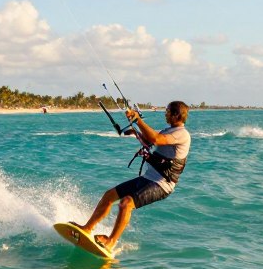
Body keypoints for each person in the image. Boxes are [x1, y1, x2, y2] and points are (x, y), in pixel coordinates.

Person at [76, 100, 191, 252]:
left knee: (126, 204)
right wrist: (135, 131)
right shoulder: (168, 130)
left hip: (162, 184)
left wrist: (138, 120)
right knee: (109, 195)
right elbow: (150, 141)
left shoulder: (181, 134)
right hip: (149, 178)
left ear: (176, 115)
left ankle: (111, 242)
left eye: (167, 111)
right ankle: (87, 228)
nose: (165, 113)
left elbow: (157, 139)